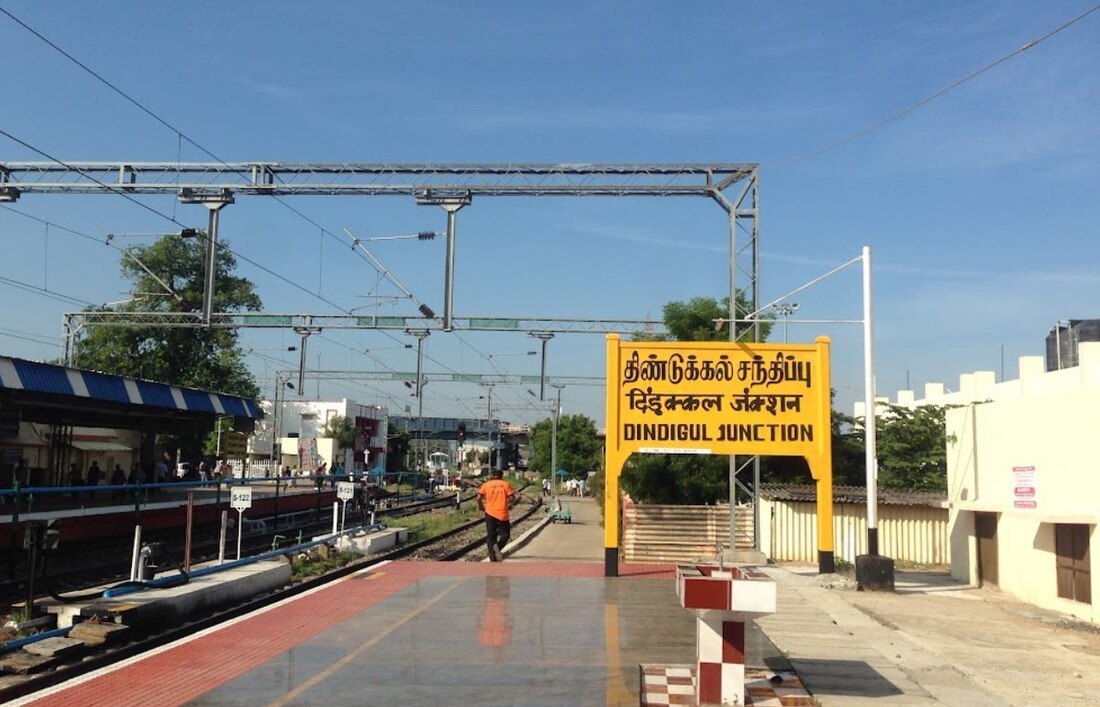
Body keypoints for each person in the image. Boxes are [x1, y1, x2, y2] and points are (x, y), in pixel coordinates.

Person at [477, 469, 516, 562]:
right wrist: (509, 505)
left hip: (490, 513)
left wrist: (481, 507)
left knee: (491, 536)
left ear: (492, 475)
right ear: (501, 476)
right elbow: (512, 498)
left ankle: (492, 556)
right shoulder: (506, 484)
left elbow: (478, 498)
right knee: (505, 535)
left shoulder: (486, 485)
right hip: (502, 514)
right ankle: (497, 548)